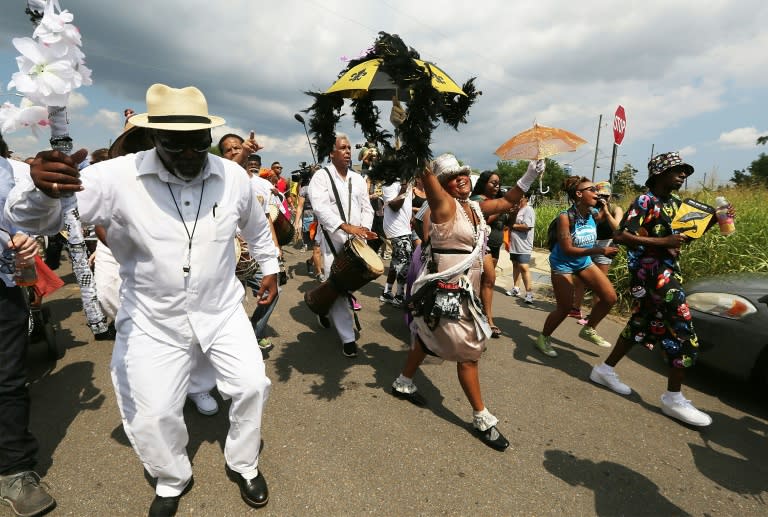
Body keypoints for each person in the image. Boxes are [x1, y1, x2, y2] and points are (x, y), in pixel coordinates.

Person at [6, 84, 278, 515]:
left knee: (251, 386)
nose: (190, 154)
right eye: (175, 143)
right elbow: (38, 219)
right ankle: (172, 478)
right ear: (153, 138)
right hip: (153, 317)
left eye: (198, 142)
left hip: (220, 309)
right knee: (153, 413)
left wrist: (271, 267)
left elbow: (258, 227)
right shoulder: (114, 177)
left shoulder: (233, 178)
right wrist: (43, 192)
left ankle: (244, 463)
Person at [392, 153, 544, 451]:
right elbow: (427, 176)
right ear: (442, 185)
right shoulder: (443, 205)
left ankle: (403, 382)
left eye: (463, 172)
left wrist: (530, 175)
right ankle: (482, 418)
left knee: (426, 337)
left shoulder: (472, 206)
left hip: (465, 291)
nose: (460, 178)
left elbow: (506, 201)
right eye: (451, 177)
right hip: (450, 292)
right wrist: (414, 138)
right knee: (470, 354)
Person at [590, 152, 731, 427]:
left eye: (684, 171)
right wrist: (662, 240)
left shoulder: (675, 204)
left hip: (667, 271)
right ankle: (673, 398)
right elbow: (622, 235)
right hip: (653, 275)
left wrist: (715, 220)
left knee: (640, 323)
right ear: (659, 174)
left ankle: (603, 370)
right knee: (683, 331)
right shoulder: (645, 201)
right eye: (677, 170)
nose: (683, 174)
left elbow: (685, 235)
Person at [0, 144, 57, 517]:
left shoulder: (13, 171)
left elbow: (43, 221)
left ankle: (15, 471)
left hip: (3, 287)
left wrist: (30, 237)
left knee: (7, 380)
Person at [534, 176, 619, 358]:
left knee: (610, 297)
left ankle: (589, 329)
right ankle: (543, 337)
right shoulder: (565, 217)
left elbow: (613, 226)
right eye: (592, 190)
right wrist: (600, 250)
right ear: (579, 194)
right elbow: (568, 249)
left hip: (583, 262)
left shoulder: (593, 213)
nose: (597, 193)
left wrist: (605, 206)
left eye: (597, 190)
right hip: (563, 264)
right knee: (565, 308)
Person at [308, 133, 374, 358]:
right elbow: (320, 208)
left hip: (356, 244)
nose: (348, 152)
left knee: (345, 286)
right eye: (343, 148)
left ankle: (321, 306)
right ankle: (348, 338)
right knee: (337, 286)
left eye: (349, 148)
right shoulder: (321, 177)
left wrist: (363, 230)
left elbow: (368, 208)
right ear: (331, 153)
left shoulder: (357, 179)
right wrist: (346, 228)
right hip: (331, 241)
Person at [570, 181, 624, 324]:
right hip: (589, 244)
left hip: (605, 246)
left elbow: (617, 229)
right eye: (600, 195)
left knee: (599, 284)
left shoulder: (615, 209)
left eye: (606, 196)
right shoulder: (592, 207)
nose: (602, 199)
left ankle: (592, 317)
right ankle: (576, 309)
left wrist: (606, 211)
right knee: (580, 280)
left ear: (610, 196)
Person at [470, 171, 509, 338]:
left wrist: (510, 212)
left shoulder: (497, 201)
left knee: (486, 283)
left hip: (494, 247)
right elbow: (483, 220)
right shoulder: (478, 200)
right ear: (484, 183)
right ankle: (486, 319)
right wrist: (501, 209)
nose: (497, 186)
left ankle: (482, 317)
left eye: (498, 183)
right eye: (493, 182)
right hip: (480, 246)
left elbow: (506, 225)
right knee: (486, 280)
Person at [379, 179, 413, 307]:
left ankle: (387, 292)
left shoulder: (404, 183)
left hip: (404, 228)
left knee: (396, 262)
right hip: (397, 229)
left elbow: (406, 207)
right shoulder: (389, 184)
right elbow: (395, 206)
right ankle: (399, 296)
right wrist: (404, 187)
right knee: (404, 264)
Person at [504, 191, 536, 304]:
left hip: (524, 244)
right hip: (514, 244)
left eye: (520, 196)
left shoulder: (529, 210)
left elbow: (527, 226)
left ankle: (529, 293)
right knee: (515, 265)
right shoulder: (516, 209)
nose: (518, 198)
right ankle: (516, 288)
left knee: (523, 267)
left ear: (526, 198)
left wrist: (512, 226)